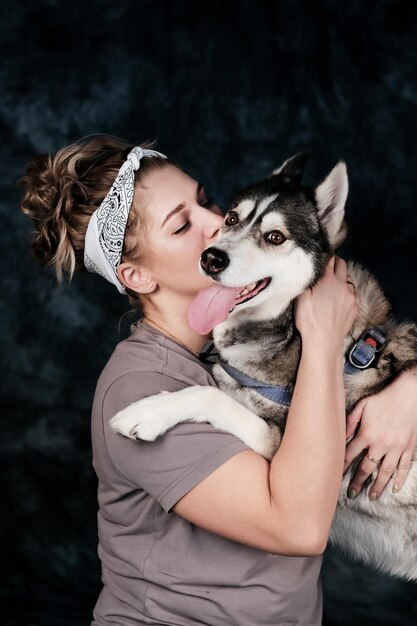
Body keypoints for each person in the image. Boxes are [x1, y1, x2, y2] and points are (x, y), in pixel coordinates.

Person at [20, 135, 417, 626]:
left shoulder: (253, 335)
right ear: (138, 277)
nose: (217, 226)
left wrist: (408, 390)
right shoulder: (142, 386)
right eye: (183, 224)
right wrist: (322, 337)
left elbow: (377, 345)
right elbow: (298, 526)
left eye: (209, 203)